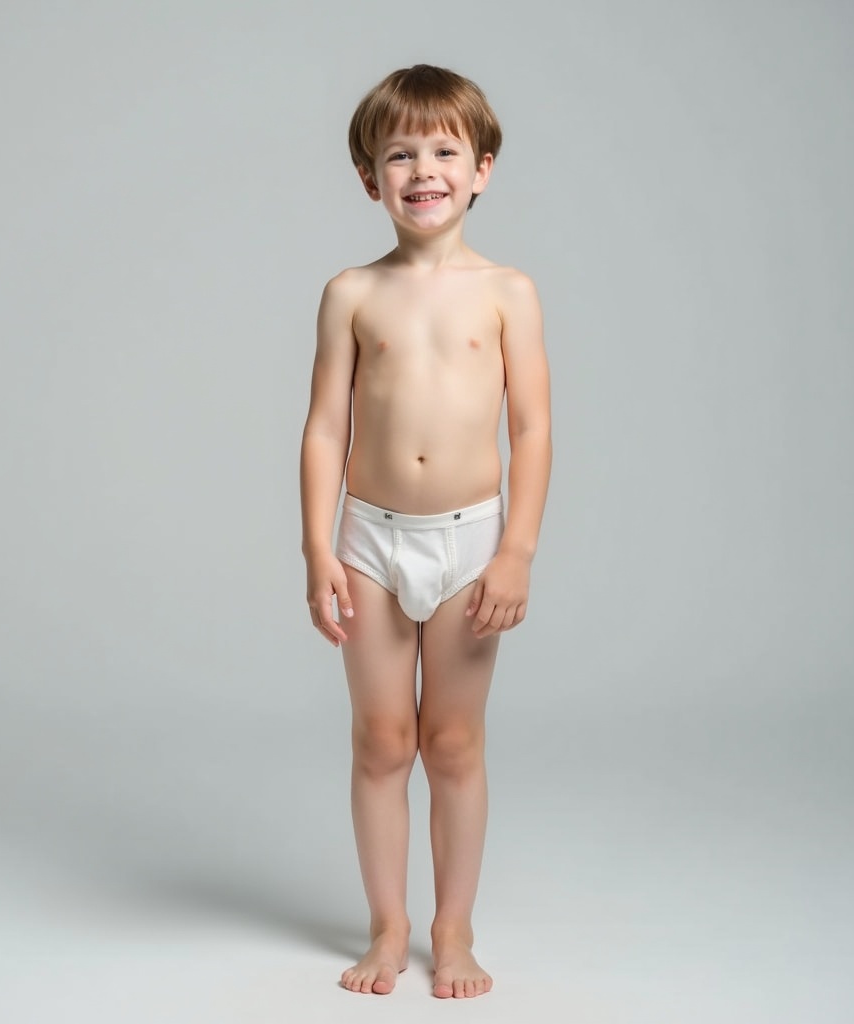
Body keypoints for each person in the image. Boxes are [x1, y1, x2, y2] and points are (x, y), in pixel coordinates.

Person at [299, 64, 551, 1000]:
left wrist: (517, 549)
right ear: (371, 178)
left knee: (451, 742)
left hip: (468, 544)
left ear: (481, 169)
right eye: (399, 154)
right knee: (379, 741)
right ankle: (386, 927)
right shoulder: (352, 293)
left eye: (444, 151)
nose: (422, 170)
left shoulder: (509, 292)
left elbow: (531, 427)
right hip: (368, 540)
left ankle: (452, 931)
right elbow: (326, 426)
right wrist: (317, 546)